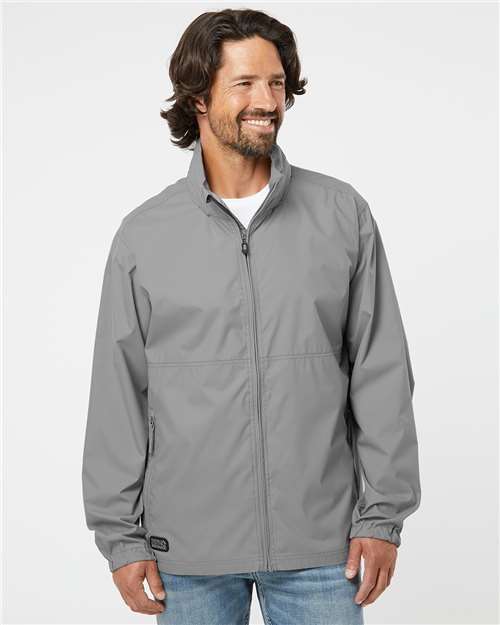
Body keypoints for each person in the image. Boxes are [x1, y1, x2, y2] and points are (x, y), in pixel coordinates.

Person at [81, 8, 421, 624]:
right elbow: (118, 393)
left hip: (323, 549)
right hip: (187, 555)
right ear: (198, 98)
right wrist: (121, 538)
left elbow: (381, 370)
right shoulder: (144, 236)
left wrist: (382, 518)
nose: (267, 101)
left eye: (276, 82)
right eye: (244, 84)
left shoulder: (342, 215)